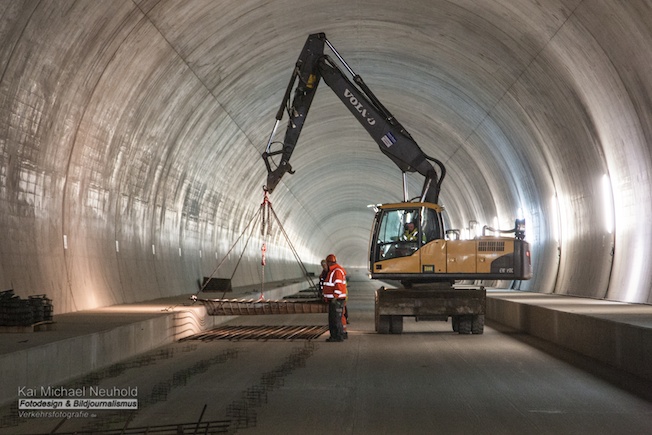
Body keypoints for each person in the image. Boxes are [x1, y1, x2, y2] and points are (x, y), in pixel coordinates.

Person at [322, 254, 347, 342]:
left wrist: (335, 297)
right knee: (333, 319)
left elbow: (338, 285)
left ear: (329, 262)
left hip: (336, 300)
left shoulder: (337, 271)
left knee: (336, 319)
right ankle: (335, 336)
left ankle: (338, 336)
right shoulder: (332, 271)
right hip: (333, 299)